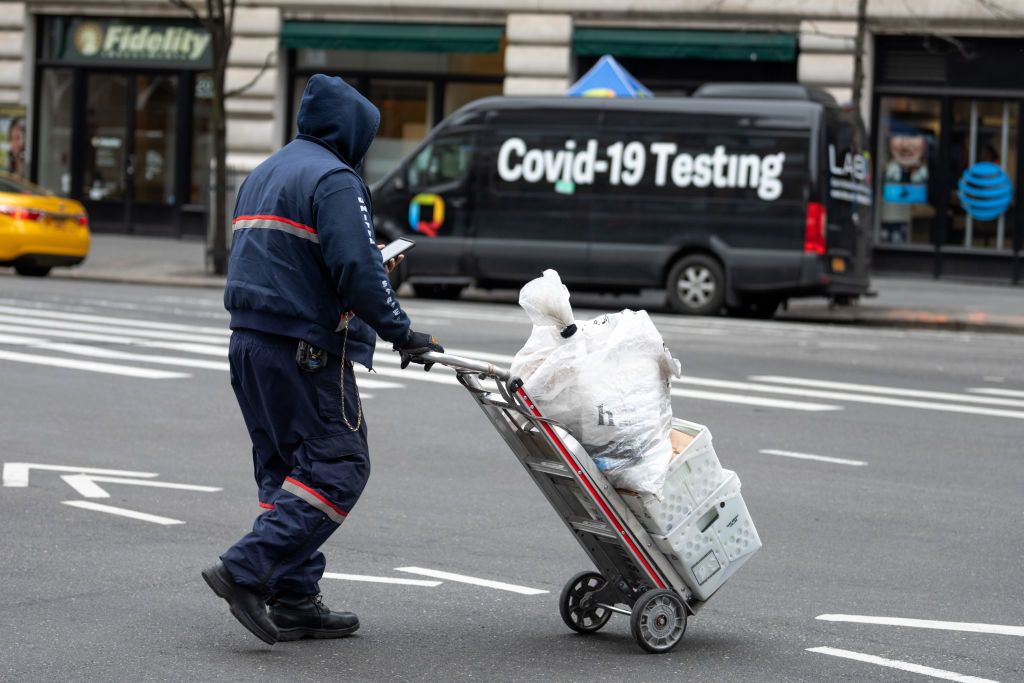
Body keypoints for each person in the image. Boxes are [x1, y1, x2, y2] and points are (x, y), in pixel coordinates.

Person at [202, 74, 444, 645]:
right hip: (305, 349)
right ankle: (245, 570)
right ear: (352, 132)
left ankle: (293, 597)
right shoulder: (336, 179)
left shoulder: (263, 173)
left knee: (284, 470)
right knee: (338, 467)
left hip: (250, 343)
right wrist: (403, 332)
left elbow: (287, 257)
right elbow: (356, 269)